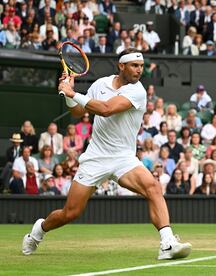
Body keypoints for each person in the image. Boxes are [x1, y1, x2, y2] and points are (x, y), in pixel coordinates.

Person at [22, 49, 191, 260]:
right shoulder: (100, 84)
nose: (139, 70)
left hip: (124, 159)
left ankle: (167, 243)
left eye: (141, 66)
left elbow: (106, 109)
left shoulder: (137, 91)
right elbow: (77, 112)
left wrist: (73, 93)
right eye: (134, 65)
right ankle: (39, 230)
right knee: (71, 213)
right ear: (121, 66)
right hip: (95, 158)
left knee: (153, 187)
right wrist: (68, 94)